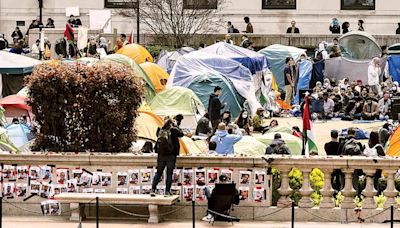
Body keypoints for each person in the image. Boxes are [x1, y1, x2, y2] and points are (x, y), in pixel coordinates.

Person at [151, 118, 184, 197]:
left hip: (161, 155)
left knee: (159, 172)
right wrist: (176, 125)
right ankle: (167, 191)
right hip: (171, 155)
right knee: (169, 173)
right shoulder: (174, 130)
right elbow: (182, 134)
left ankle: (153, 190)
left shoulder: (160, 129)